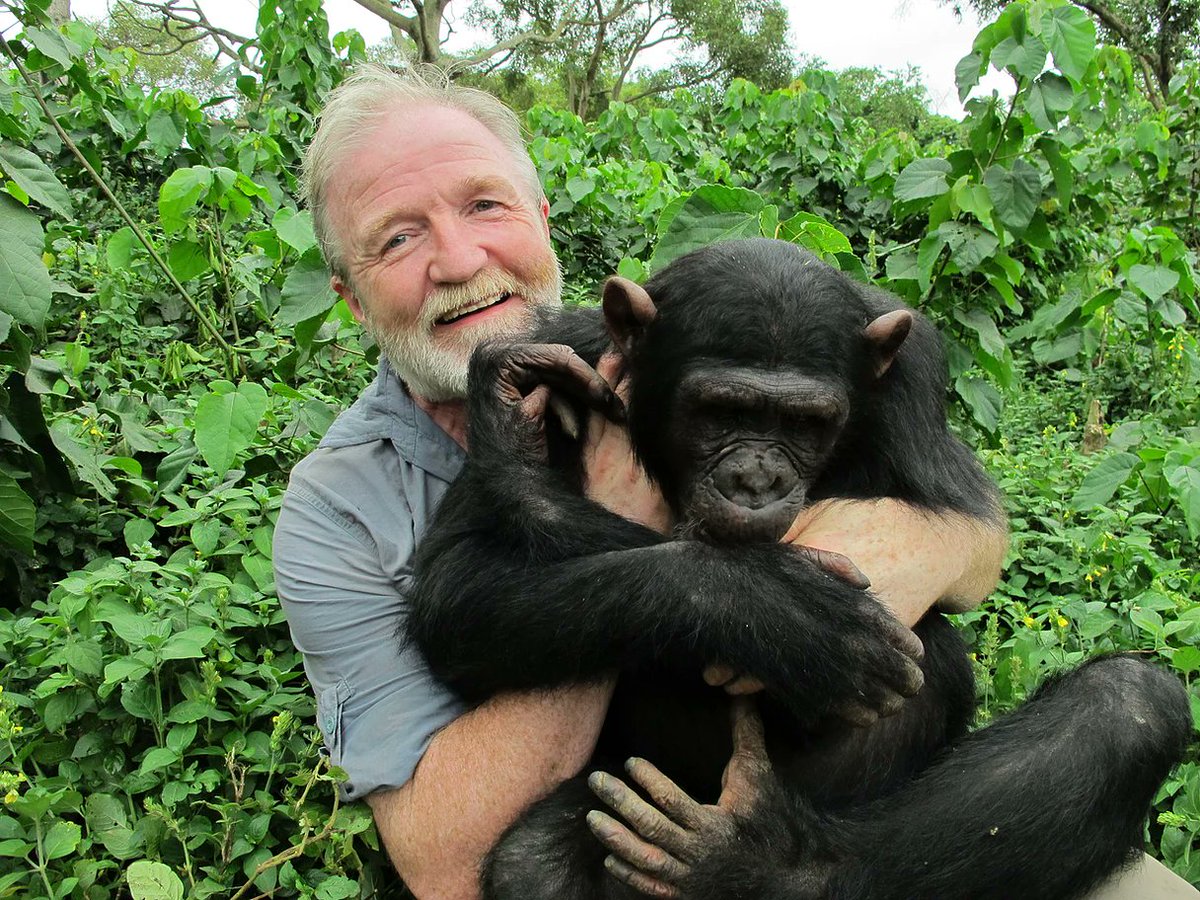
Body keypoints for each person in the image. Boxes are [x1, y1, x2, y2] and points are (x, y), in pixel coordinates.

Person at [272, 63, 1193, 900]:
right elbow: (461, 624)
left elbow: (968, 531)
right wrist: (699, 577)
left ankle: (812, 877)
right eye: (397, 237)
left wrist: (892, 553)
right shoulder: (554, 388)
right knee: (530, 872)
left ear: (542, 216)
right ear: (348, 295)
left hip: (887, 816)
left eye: (484, 206)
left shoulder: (879, 358)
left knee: (1133, 703)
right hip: (654, 806)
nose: (460, 260)